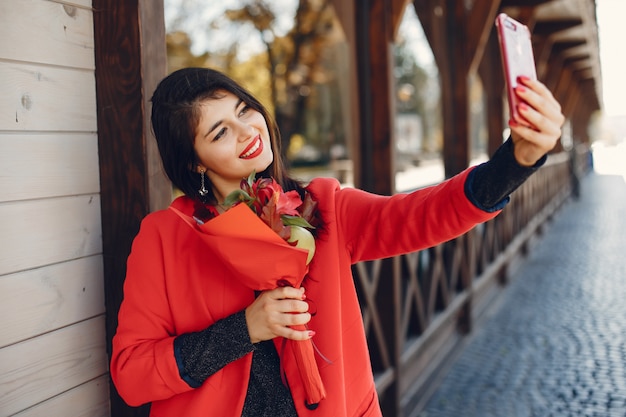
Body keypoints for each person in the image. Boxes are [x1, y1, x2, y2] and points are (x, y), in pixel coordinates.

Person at [110, 67, 564, 417]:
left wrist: (516, 160)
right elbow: (131, 376)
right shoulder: (165, 238)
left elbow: (422, 215)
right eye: (219, 131)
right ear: (193, 164)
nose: (248, 131)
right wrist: (244, 329)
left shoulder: (322, 206)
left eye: (244, 110)